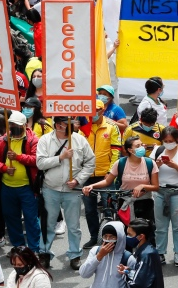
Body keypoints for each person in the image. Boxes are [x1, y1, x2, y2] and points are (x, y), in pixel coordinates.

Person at [36, 115, 95, 269]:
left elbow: (90, 163)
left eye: (71, 123)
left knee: (74, 226)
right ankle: (44, 253)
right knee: (48, 225)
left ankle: (75, 255)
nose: (71, 126)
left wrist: (78, 180)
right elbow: (40, 163)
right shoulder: (45, 140)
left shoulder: (79, 140)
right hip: (50, 189)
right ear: (57, 125)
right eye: (66, 123)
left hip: (72, 191)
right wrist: (60, 157)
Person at [0, 112, 41, 254]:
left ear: (24, 125)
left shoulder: (33, 140)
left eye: (16, 124)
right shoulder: (3, 140)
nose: (13, 127)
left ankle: (34, 249)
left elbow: (37, 160)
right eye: (11, 124)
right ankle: (18, 248)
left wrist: (18, 157)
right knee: (11, 218)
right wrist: (4, 168)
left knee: (31, 219)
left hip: (27, 188)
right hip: (7, 187)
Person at [81, 99, 123, 249]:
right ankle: (94, 237)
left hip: (106, 175)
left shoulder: (112, 127)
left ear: (103, 110)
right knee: (89, 209)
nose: (93, 113)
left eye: (97, 110)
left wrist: (111, 172)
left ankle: (111, 237)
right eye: (90, 110)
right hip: (87, 175)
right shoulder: (83, 128)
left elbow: (116, 151)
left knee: (109, 208)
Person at [151, 126, 178, 267]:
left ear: (176, 139)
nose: (168, 143)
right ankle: (160, 252)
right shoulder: (157, 151)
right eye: (165, 141)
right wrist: (156, 165)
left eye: (171, 141)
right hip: (160, 192)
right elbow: (149, 170)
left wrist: (175, 166)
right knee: (160, 226)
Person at [79, 221, 128, 288]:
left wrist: (127, 271)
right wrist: (99, 256)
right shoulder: (95, 251)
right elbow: (84, 274)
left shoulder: (127, 257)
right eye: (105, 236)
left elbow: (135, 279)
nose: (108, 240)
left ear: (119, 238)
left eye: (112, 237)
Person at [118, 219, 163, 288]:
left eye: (130, 235)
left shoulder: (146, 255)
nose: (127, 237)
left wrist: (125, 276)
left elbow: (139, 283)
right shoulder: (146, 250)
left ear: (141, 236)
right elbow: (143, 274)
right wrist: (128, 271)